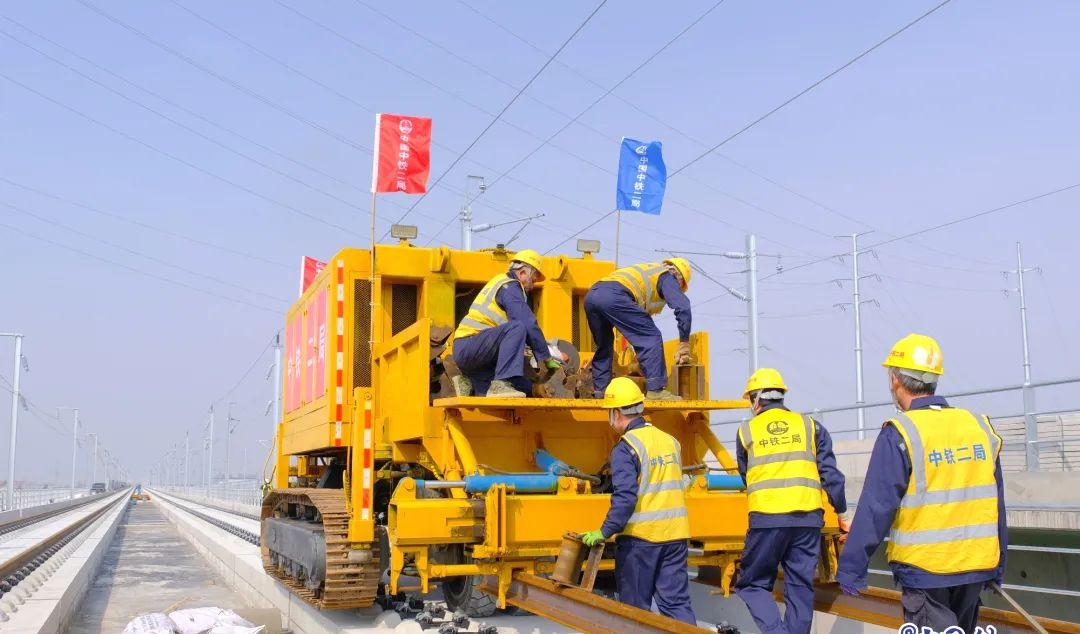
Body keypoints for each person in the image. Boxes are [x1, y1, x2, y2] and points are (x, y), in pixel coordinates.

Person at [837, 334, 1006, 634]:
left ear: (894, 380)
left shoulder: (901, 432)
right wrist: (997, 565)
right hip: (975, 565)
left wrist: (851, 569)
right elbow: (996, 505)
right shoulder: (979, 427)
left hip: (926, 572)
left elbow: (877, 506)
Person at [734, 368, 848, 634]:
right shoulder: (811, 427)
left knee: (751, 584)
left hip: (767, 519)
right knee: (799, 586)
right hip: (808, 519)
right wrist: (842, 513)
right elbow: (831, 475)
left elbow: (746, 475)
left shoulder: (746, 432)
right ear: (781, 396)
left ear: (756, 399)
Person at [580, 377, 696, 624]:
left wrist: (604, 531)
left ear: (617, 412)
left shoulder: (626, 448)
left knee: (635, 610)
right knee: (676, 604)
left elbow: (625, 498)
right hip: (675, 536)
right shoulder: (670, 441)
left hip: (641, 542)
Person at [451, 250, 561, 398]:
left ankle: (467, 382)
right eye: (533, 280)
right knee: (518, 327)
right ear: (522, 273)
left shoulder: (500, 283)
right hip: (469, 346)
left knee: (513, 384)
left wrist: (535, 389)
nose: (533, 286)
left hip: (477, 353)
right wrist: (545, 357)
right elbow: (527, 322)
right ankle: (499, 384)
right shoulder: (509, 286)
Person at [584, 258, 693, 401]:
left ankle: (601, 392)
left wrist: (645, 360)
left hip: (592, 295)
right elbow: (683, 307)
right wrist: (684, 342)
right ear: (679, 279)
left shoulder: (647, 273)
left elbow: (637, 325)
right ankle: (656, 391)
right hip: (614, 295)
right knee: (651, 336)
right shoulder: (667, 276)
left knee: (604, 346)